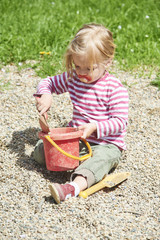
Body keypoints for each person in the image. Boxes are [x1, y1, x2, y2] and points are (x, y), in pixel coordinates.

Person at [33, 23, 129, 204]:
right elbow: (47, 82)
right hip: (78, 140)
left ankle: (73, 187)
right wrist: (45, 95)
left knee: (99, 161)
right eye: (77, 66)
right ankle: (72, 164)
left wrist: (94, 127)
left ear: (107, 61)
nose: (82, 73)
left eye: (89, 68)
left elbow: (120, 121)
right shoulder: (73, 78)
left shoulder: (114, 89)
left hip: (105, 144)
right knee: (40, 152)